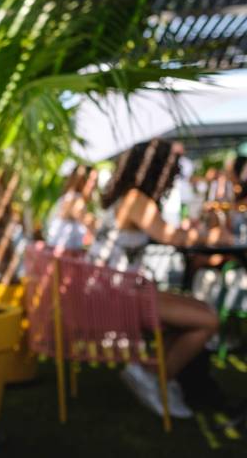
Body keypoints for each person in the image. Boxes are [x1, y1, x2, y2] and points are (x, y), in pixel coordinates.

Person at [88, 138, 231, 418]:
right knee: (208, 320)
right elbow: (171, 236)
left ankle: (153, 374)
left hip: (114, 290)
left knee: (200, 311)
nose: (175, 176)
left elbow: (168, 233)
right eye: (173, 170)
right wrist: (213, 235)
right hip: (117, 296)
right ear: (157, 170)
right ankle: (154, 377)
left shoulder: (128, 197)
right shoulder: (135, 199)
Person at [45, 164, 97, 251]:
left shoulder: (71, 197)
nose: (94, 185)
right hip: (60, 252)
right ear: (83, 180)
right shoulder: (74, 199)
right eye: (91, 180)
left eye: (95, 181)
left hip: (59, 249)